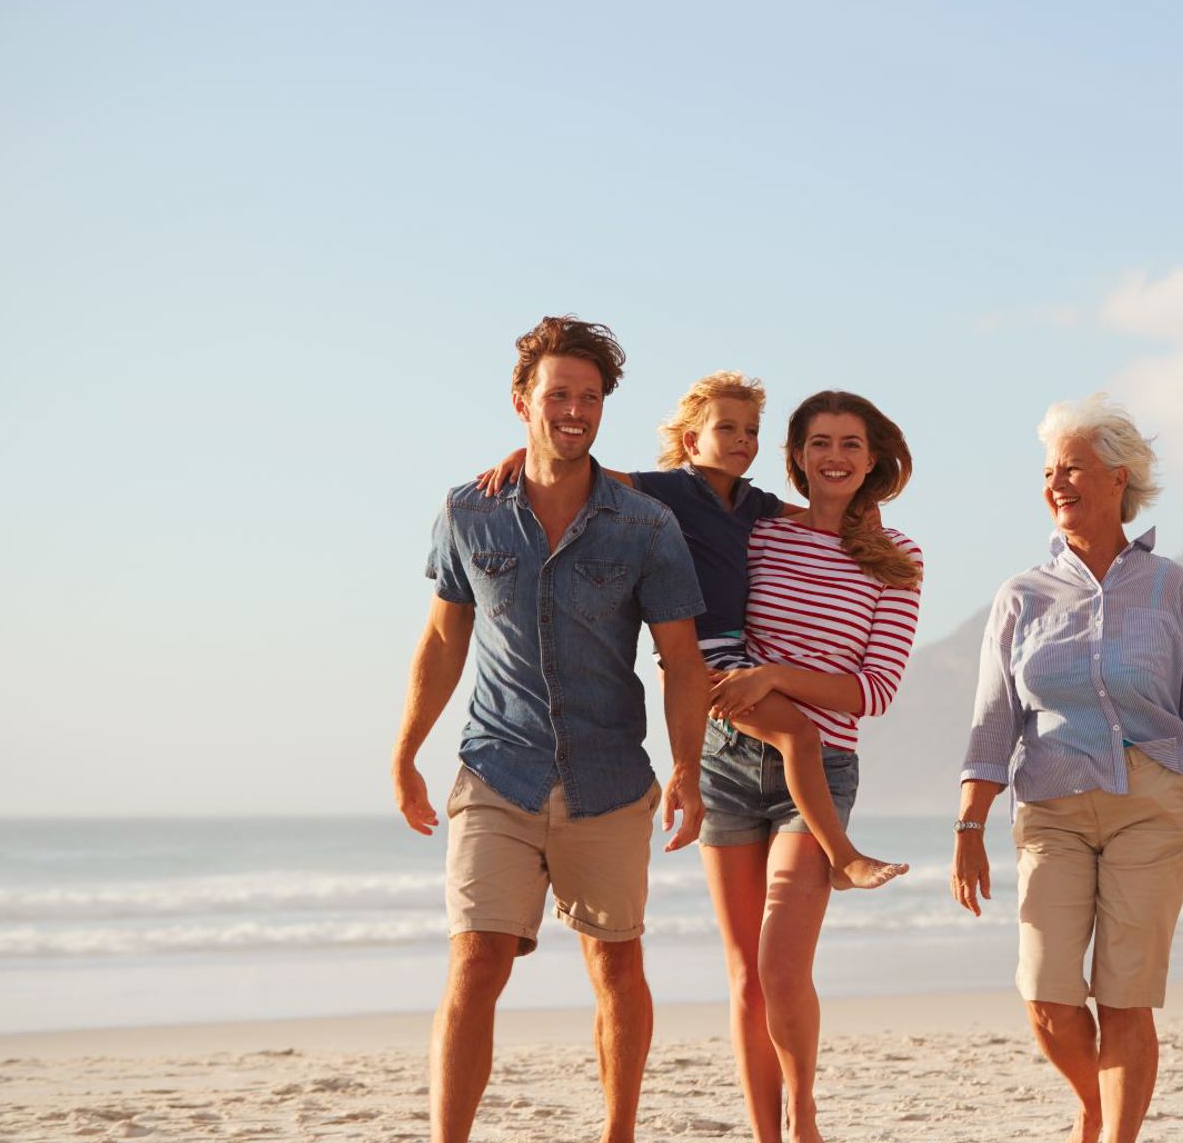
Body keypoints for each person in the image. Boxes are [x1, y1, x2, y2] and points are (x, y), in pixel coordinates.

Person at [388, 316, 712, 1143]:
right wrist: (405, 753)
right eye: (559, 394)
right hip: (498, 769)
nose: (575, 410)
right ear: (522, 401)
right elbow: (442, 638)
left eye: (591, 397)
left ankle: (619, 1134)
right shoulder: (470, 512)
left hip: (608, 779)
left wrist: (687, 767)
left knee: (615, 965)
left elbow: (680, 658)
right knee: (476, 960)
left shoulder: (645, 526)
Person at [951, 394, 1183, 1143]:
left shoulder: (1171, 588)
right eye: (1048, 471)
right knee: (1048, 998)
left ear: (1118, 479)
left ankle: (1114, 1135)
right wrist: (968, 823)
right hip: (1052, 808)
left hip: (1151, 805)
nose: (1057, 483)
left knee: (1125, 1000)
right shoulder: (1020, 597)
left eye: (1074, 468)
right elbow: (994, 718)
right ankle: (1096, 1108)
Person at [477, 372, 907, 891]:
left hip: (736, 653)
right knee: (798, 734)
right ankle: (843, 856)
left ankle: (838, 854)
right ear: (690, 441)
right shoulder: (673, 490)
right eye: (727, 429)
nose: (742, 441)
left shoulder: (753, 504)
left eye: (750, 431)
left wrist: (864, 516)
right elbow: (593, 476)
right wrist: (525, 458)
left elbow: (814, 516)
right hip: (698, 655)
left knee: (798, 737)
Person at [702, 389, 923, 1143]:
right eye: (819, 442)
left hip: (820, 773)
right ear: (794, 456)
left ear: (872, 461)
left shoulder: (899, 560)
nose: (835, 456)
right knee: (742, 978)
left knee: (780, 970)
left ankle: (803, 1114)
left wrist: (774, 677)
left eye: (851, 445)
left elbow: (873, 691)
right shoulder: (759, 531)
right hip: (728, 761)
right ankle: (767, 1135)